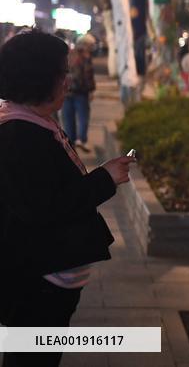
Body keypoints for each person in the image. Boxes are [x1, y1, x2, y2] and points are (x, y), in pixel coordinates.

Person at [0, 29, 134, 366]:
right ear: (39, 79)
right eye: (62, 73)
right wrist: (104, 178)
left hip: (46, 276)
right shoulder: (18, 136)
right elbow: (42, 206)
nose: (68, 82)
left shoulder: (33, 122)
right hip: (37, 283)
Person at [61, 45, 96, 153]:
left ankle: (71, 143)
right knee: (83, 117)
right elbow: (88, 75)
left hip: (67, 93)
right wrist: (91, 90)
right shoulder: (85, 59)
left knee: (68, 119)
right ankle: (81, 139)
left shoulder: (64, 59)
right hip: (81, 92)